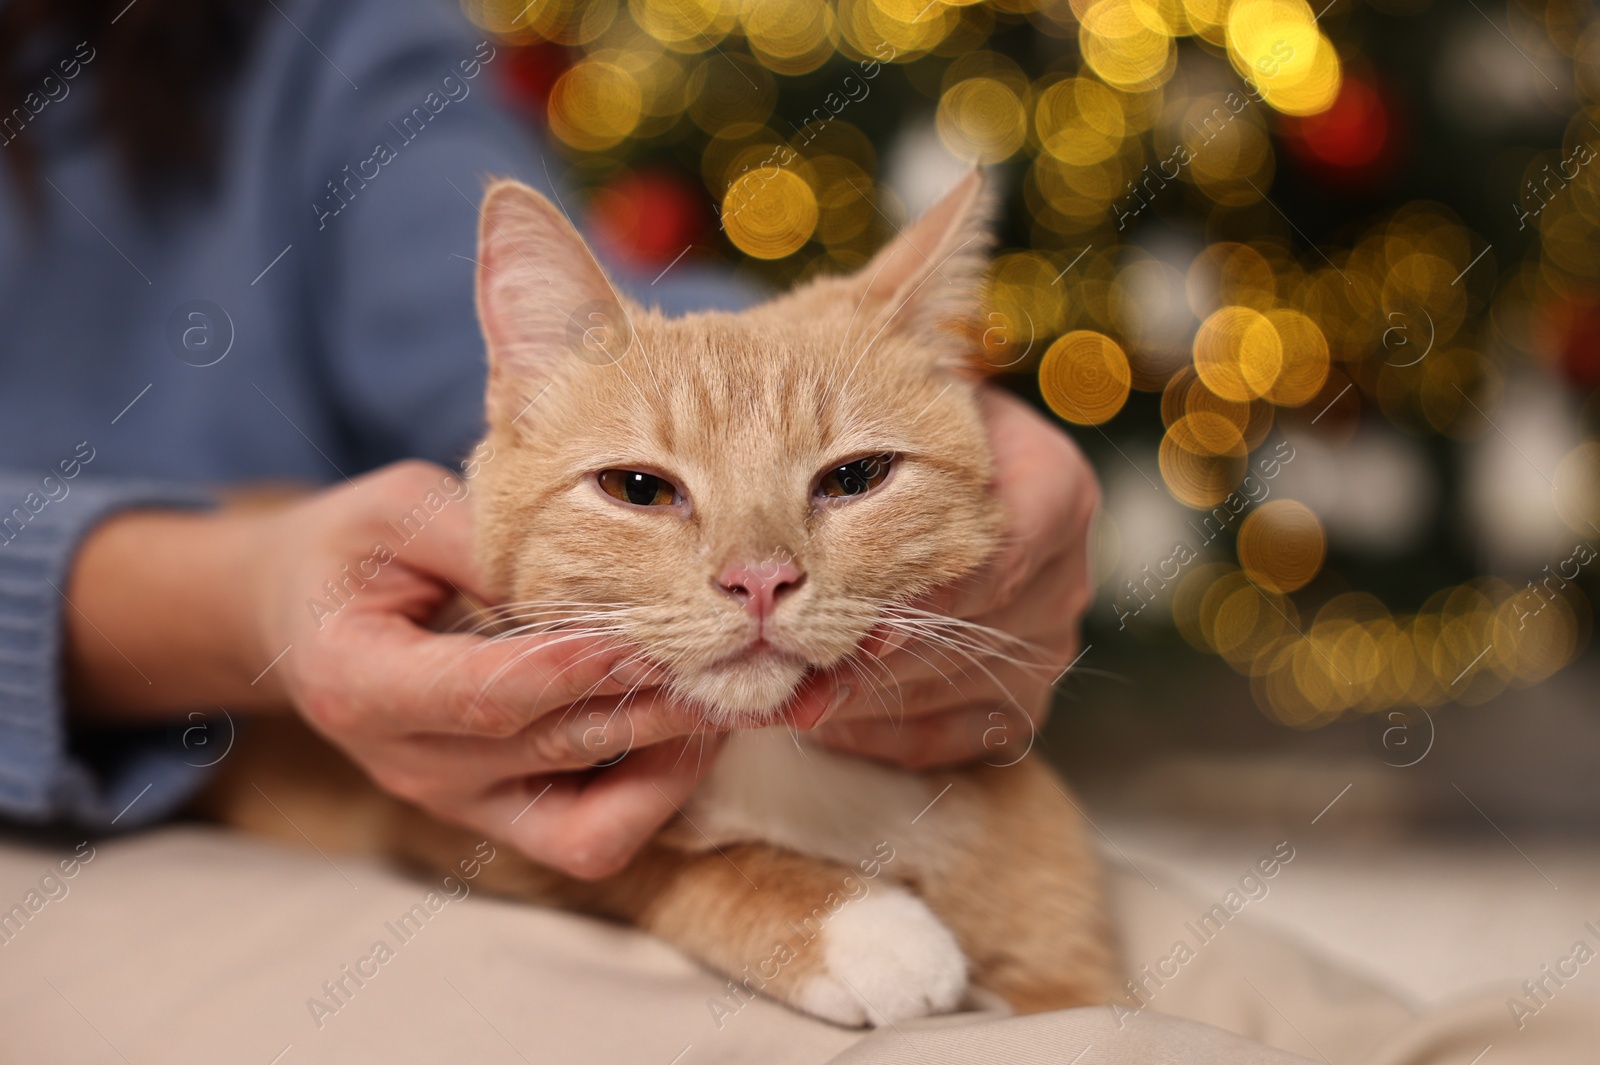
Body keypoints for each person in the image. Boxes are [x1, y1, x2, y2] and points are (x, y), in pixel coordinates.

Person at [0, 0, 1099, 879]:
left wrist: (843, 378)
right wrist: (234, 595)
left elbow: (549, 328)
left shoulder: (317, 23)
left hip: (415, 706)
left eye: (848, 478)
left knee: (1239, 993)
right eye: (646, 488)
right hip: (140, 822)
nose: (759, 570)